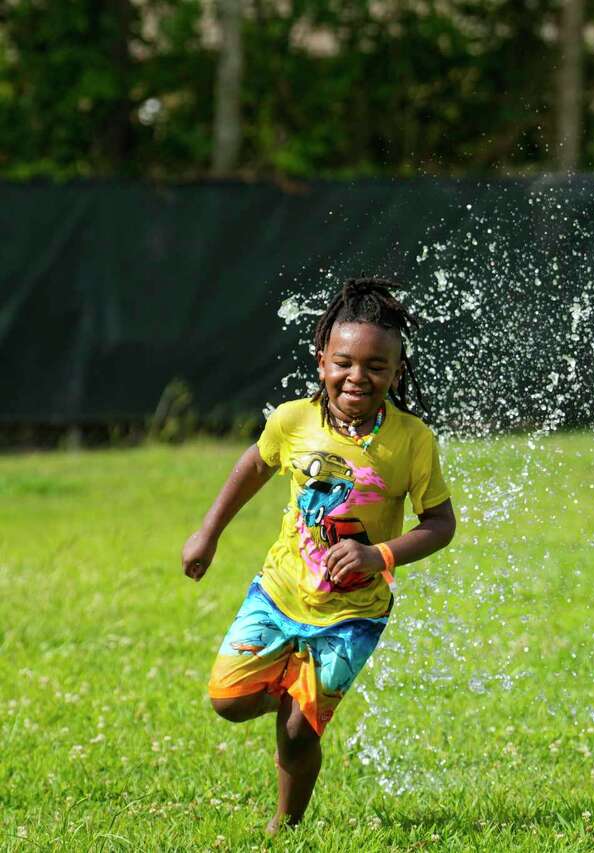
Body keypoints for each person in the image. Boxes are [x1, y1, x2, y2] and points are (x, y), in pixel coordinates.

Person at [181, 277, 457, 830]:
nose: (359, 377)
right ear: (321, 361)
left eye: (377, 366)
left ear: (396, 372)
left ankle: (287, 828)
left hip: (353, 614)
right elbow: (253, 467)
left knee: (299, 731)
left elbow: (440, 525)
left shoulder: (411, 440)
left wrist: (379, 555)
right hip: (279, 593)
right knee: (228, 700)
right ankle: (285, 693)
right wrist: (208, 533)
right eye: (344, 363)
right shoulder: (292, 420)